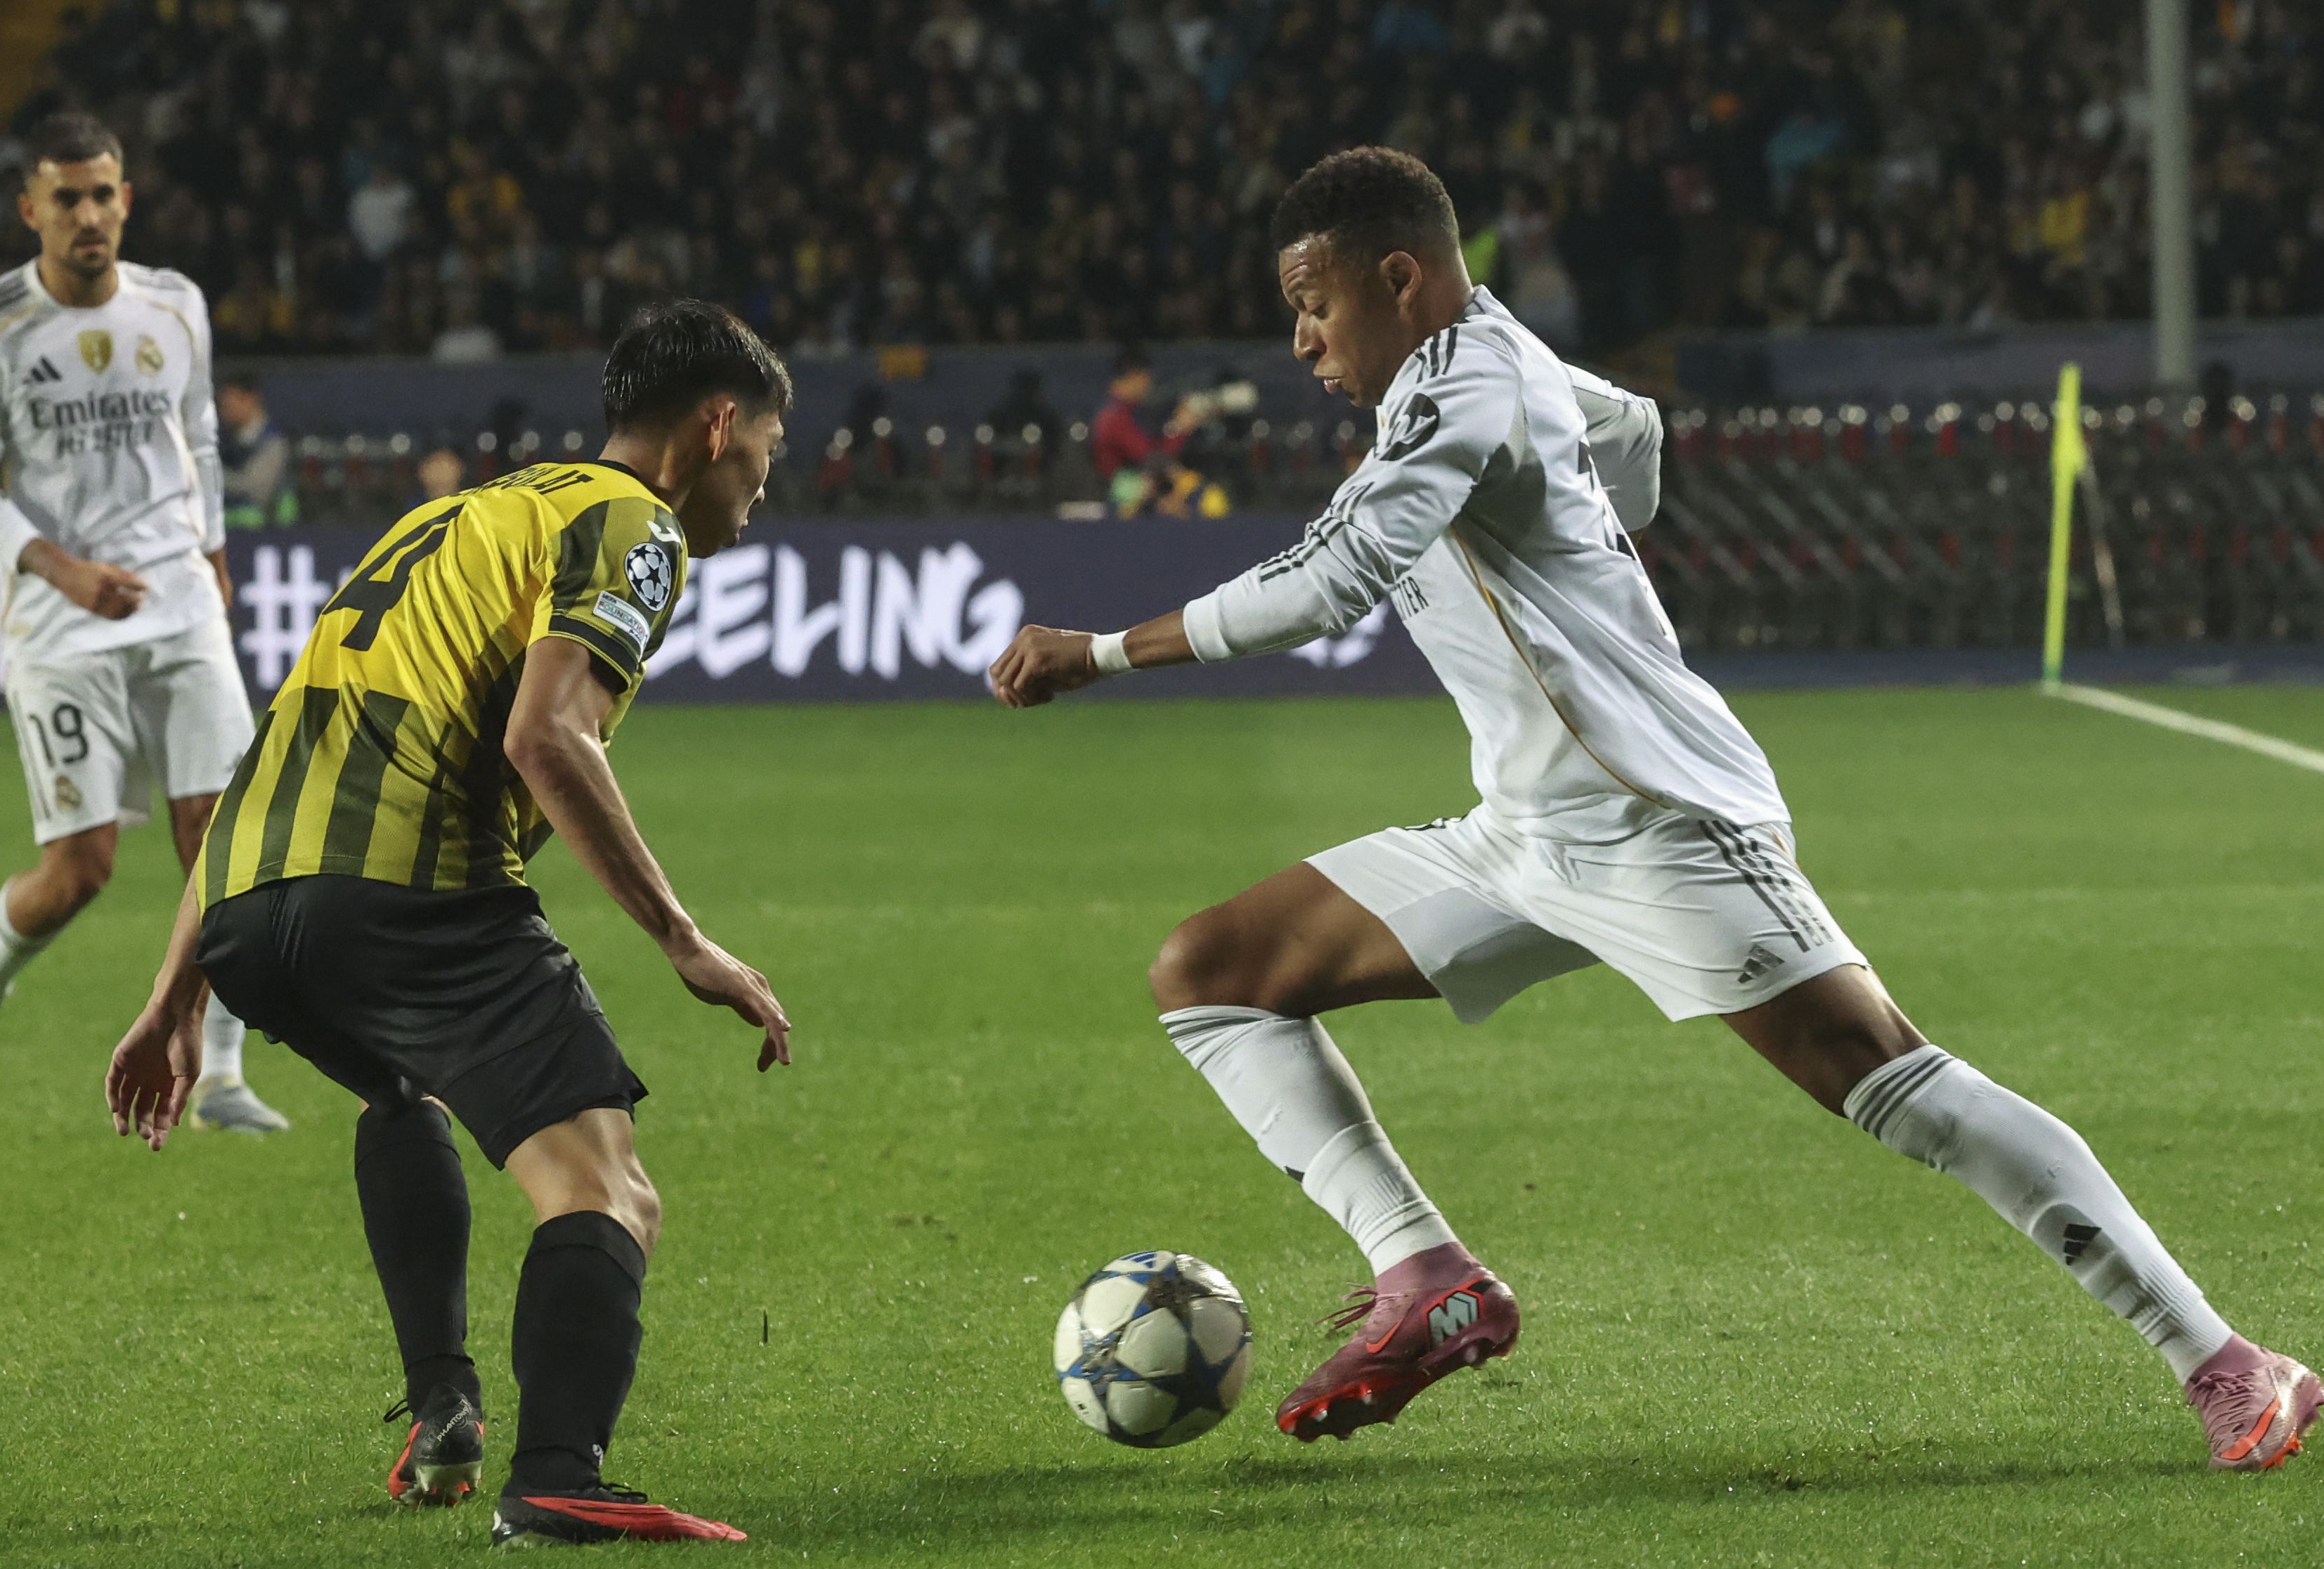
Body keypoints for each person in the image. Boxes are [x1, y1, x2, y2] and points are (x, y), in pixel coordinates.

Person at [988, 147, 2319, 1470]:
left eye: (1314, 304)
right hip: (1523, 830)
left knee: (1892, 1082)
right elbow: (1633, 432)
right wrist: (1579, 557)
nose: (1300, 340)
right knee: (1210, 972)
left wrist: (1097, 650)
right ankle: (1424, 1275)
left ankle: (2225, 1362)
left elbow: (1329, 580)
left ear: (1397, 279)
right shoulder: (1502, 359)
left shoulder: (1460, 385)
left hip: (1657, 821)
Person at [103, 299, 798, 1546]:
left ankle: (443, 1403)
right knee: (604, 1183)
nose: (761, 483)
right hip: (412, 888)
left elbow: (273, 750)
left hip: (252, 911)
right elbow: (547, 735)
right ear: (716, 424)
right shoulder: (632, 523)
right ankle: (560, 1476)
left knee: (401, 1088)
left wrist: (175, 994)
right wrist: (685, 939)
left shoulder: (451, 517)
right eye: (766, 450)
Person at [0, 112, 285, 1131]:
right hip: (60, 624)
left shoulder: (176, 306)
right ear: (31, 211)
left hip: (178, 603)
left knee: (224, 849)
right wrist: (64, 573)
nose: (90, 214)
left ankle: (225, 1075)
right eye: (68, 198)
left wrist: (215, 557)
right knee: (81, 871)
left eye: (105, 194)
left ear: (127, 200)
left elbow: (195, 434)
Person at [1089, 344, 1199, 483]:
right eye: (1147, 378)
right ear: (1136, 376)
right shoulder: (1114, 416)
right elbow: (1153, 462)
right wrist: (1180, 429)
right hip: (1118, 496)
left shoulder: (1119, 409)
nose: (1149, 385)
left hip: (1125, 488)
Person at [217, 371, 297, 529]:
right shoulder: (225, 441)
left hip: (266, 530)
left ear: (250, 399)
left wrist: (211, 477)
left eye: (230, 403)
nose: (224, 411)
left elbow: (254, 491)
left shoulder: (273, 441)